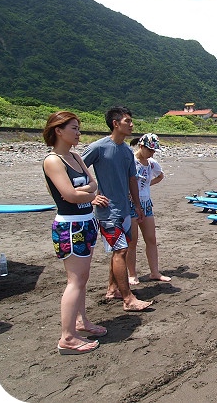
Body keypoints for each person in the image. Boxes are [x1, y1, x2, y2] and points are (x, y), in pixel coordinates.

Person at [42, 111, 109, 355]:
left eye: (79, 128)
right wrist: (90, 195)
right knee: (75, 280)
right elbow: (69, 195)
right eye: (74, 128)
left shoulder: (75, 157)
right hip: (70, 226)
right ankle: (67, 337)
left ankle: (81, 322)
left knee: (83, 278)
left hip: (86, 222)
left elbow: (92, 184)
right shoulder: (53, 160)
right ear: (58, 130)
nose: (78, 133)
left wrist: (84, 191)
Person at [82, 106, 153, 312]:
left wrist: (137, 206)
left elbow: (132, 180)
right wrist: (91, 196)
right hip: (107, 212)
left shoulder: (126, 151)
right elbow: (75, 168)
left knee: (120, 250)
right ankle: (128, 298)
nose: (131, 125)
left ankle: (113, 288)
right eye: (127, 121)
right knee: (120, 250)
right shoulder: (99, 147)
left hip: (125, 210)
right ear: (115, 123)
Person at [126, 133, 171, 285]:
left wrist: (146, 185)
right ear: (141, 146)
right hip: (131, 204)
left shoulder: (151, 163)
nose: (152, 153)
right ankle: (132, 274)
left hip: (146, 204)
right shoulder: (130, 161)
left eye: (153, 151)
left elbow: (160, 176)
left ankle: (155, 272)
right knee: (132, 241)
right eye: (150, 150)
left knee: (151, 239)